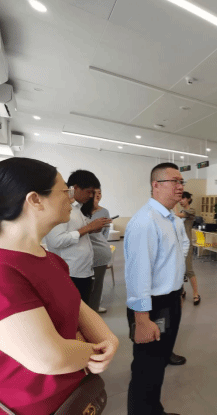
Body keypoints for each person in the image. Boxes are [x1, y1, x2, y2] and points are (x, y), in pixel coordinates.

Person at [0, 158, 119, 415]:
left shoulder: (51, 260)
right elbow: (49, 357)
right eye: (64, 191)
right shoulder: (4, 269)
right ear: (35, 199)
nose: (71, 199)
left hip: (72, 395)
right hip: (31, 406)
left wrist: (108, 339)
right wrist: (95, 350)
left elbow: (77, 306)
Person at [125, 162, 190, 415]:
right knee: (146, 368)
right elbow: (138, 274)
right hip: (151, 305)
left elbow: (176, 256)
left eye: (181, 182)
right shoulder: (145, 221)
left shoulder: (171, 218)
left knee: (159, 362)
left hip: (170, 299)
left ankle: (154, 410)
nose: (180, 186)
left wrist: (178, 290)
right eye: (175, 181)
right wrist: (142, 319)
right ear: (156, 185)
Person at [44, 170, 111, 305]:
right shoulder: (60, 208)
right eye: (89, 192)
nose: (91, 196)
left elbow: (78, 231)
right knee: (74, 310)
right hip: (70, 272)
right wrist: (88, 228)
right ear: (74, 188)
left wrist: (92, 228)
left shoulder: (76, 208)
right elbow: (57, 241)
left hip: (83, 270)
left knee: (83, 308)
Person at [82, 187, 112, 313]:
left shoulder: (104, 211)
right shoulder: (80, 211)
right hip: (85, 254)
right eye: (94, 193)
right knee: (87, 284)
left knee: (96, 284)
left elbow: (105, 232)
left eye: (99, 193)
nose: (97, 196)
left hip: (99, 252)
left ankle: (94, 308)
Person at [175, 191, 201, 306]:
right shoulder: (181, 211)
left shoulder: (191, 211)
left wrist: (174, 202)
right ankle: (182, 291)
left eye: (183, 198)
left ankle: (196, 294)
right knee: (180, 269)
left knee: (189, 270)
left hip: (187, 244)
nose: (180, 201)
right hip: (178, 244)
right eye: (179, 199)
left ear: (189, 199)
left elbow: (177, 215)